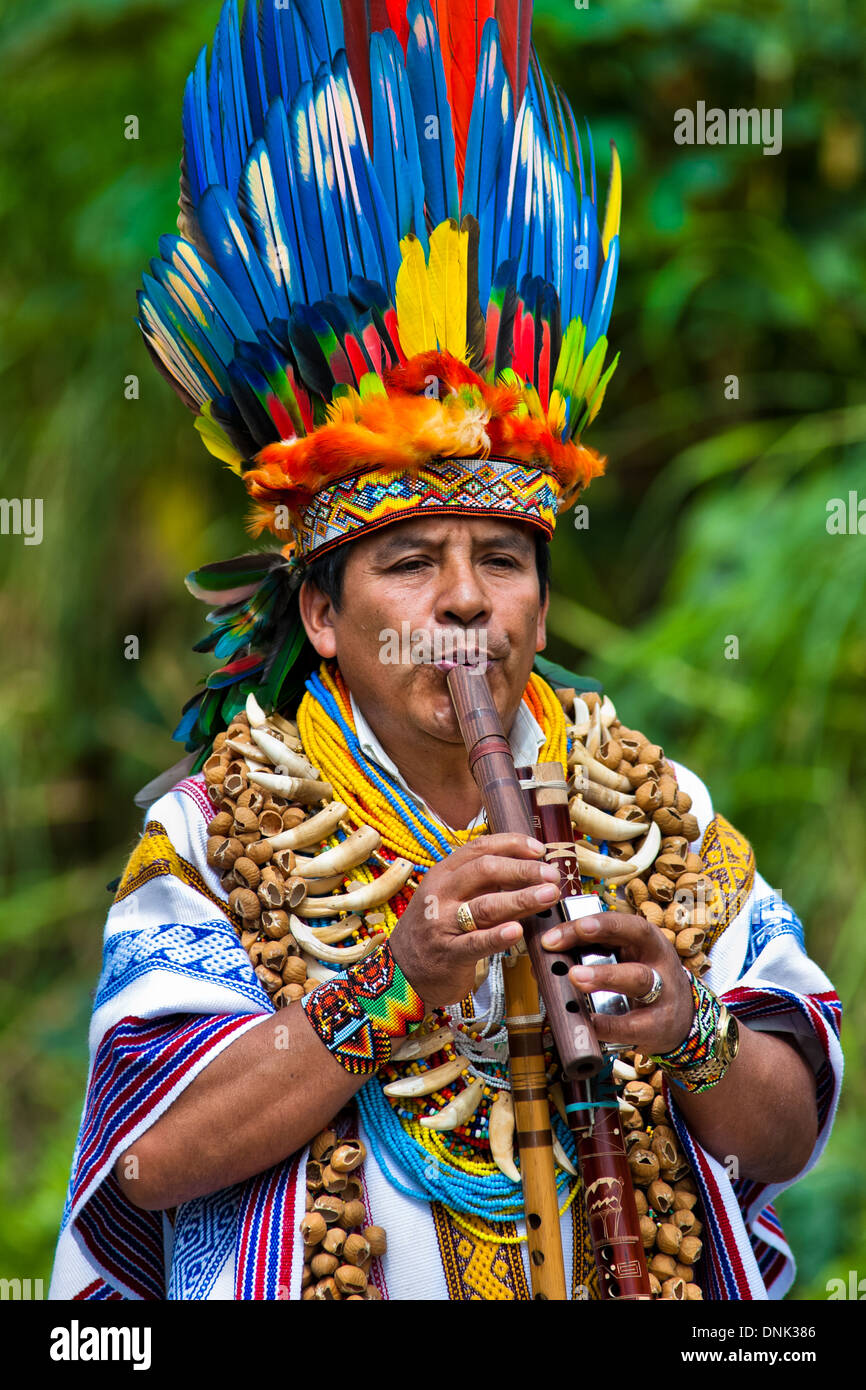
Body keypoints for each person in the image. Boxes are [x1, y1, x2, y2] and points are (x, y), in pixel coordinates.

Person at [49, 0, 841, 1301]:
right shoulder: (208, 836)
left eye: (505, 559)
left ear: (539, 600)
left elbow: (783, 1126)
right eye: (411, 560)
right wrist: (395, 976)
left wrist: (683, 1026)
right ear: (321, 614)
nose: (464, 602)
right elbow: (148, 1160)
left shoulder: (656, 811)